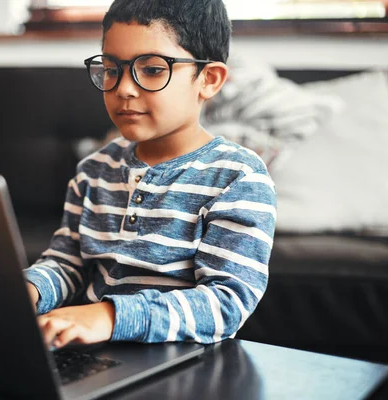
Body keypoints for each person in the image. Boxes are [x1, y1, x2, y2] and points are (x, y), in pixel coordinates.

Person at [24, 0, 277, 350]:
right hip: (95, 352)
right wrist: (29, 290)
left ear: (209, 79)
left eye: (153, 69)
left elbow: (227, 303)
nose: (123, 88)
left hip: (184, 365)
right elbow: (68, 262)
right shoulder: (94, 170)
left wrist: (110, 317)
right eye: (112, 69)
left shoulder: (238, 177)